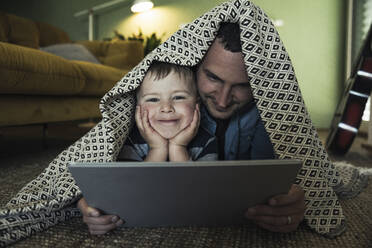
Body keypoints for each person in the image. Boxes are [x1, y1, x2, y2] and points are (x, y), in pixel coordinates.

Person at [77, 61, 218, 235]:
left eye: (179, 97)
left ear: (198, 104)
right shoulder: (129, 142)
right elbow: (128, 193)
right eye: (153, 99)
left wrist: (177, 148)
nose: (166, 108)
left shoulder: (208, 141)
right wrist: (157, 149)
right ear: (137, 110)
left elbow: (201, 196)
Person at [195, 22, 306, 233]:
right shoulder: (167, 99)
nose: (223, 100)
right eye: (213, 78)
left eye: (243, 85)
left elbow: (281, 180)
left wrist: (292, 200)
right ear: (195, 65)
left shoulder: (272, 111)